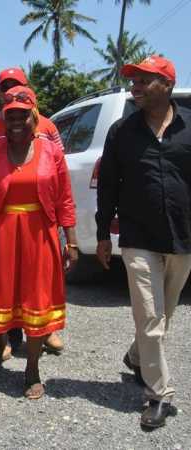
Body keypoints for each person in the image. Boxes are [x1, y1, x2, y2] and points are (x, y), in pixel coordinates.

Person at [0, 85, 78, 400]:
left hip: (40, 234)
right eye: (9, 114)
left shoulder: (51, 151)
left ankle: (32, 370)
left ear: (34, 116)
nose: (15, 120)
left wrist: (72, 240)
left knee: (36, 301)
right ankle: (0, 342)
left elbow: (65, 197)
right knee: (2, 294)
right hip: (4, 233)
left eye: (22, 115)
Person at [96, 55, 191, 429]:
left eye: (144, 80)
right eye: (133, 80)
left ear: (166, 85)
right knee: (150, 317)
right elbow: (107, 186)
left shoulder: (189, 127)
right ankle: (158, 395)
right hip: (137, 237)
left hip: (183, 236)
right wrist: (104, 234)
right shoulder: (121, 132)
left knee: (164, 314)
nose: (135, 85)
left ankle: (137, 355)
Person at [0, 67, 66, 360]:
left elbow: (61, 186)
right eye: (5, 85)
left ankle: (42, 335)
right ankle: (3, 339)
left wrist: (70, 235)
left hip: (38, 224)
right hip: (0, 220)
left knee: (35, 289)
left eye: (15, 85)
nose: (9, 89)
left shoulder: (49, 132)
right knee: (3, 286)